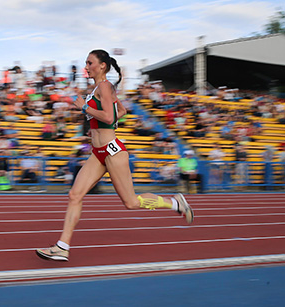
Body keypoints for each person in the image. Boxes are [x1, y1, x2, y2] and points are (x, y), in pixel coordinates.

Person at [36, 49, 193, 261]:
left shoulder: (104, 86)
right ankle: (62, 247)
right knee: (75, 195)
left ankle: (175, 203)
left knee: (131, 202)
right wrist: (96, 128)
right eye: (86, 63)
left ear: (102, 65)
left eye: (90, 63)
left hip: (113, 151)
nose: (86, 66)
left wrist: (85, 109)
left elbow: (109, 117)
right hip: (98, 152)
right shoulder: (98, 89)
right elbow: (121, 112)